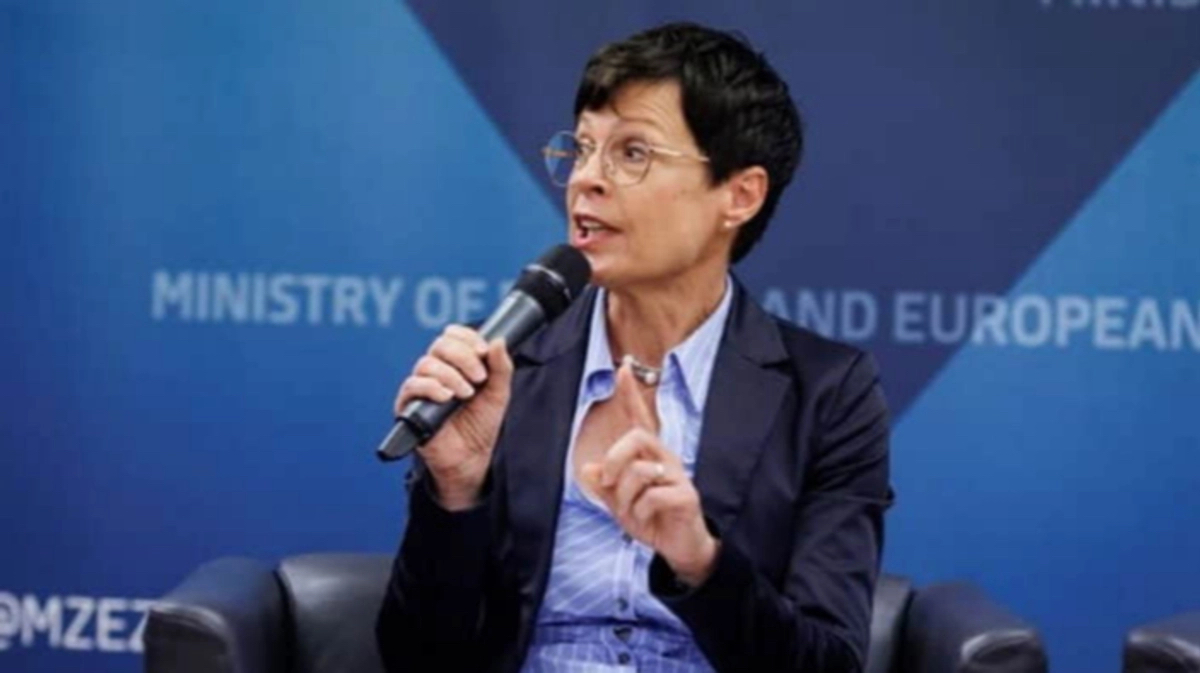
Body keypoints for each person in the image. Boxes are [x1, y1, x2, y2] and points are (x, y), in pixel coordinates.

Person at [376, 22, 892, 673]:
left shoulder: (828, 392)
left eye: (632, 153)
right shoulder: (499, 368)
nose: (586, 180)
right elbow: (416, 658)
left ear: (740, 195)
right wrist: (455, 492)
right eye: (582, 148)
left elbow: (829, 663)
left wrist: (699, 560)